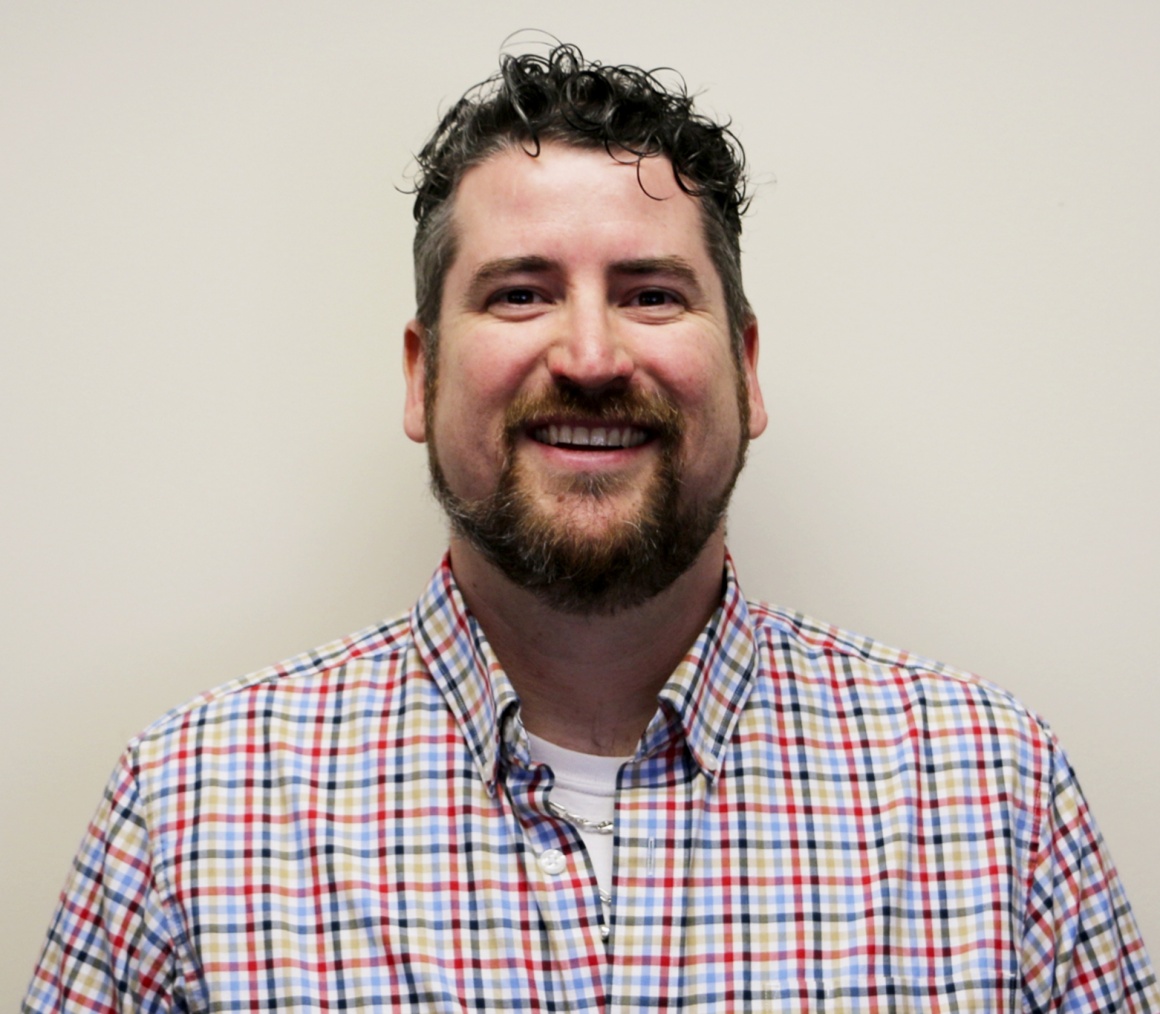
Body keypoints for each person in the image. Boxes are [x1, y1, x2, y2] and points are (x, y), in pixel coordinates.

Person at [24, 42, 1157, 1013]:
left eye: (651, 293)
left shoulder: (989, 796)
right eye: (518, 292)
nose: (590, 355)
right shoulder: (191, 813)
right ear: (419, 378)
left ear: (746, 369)